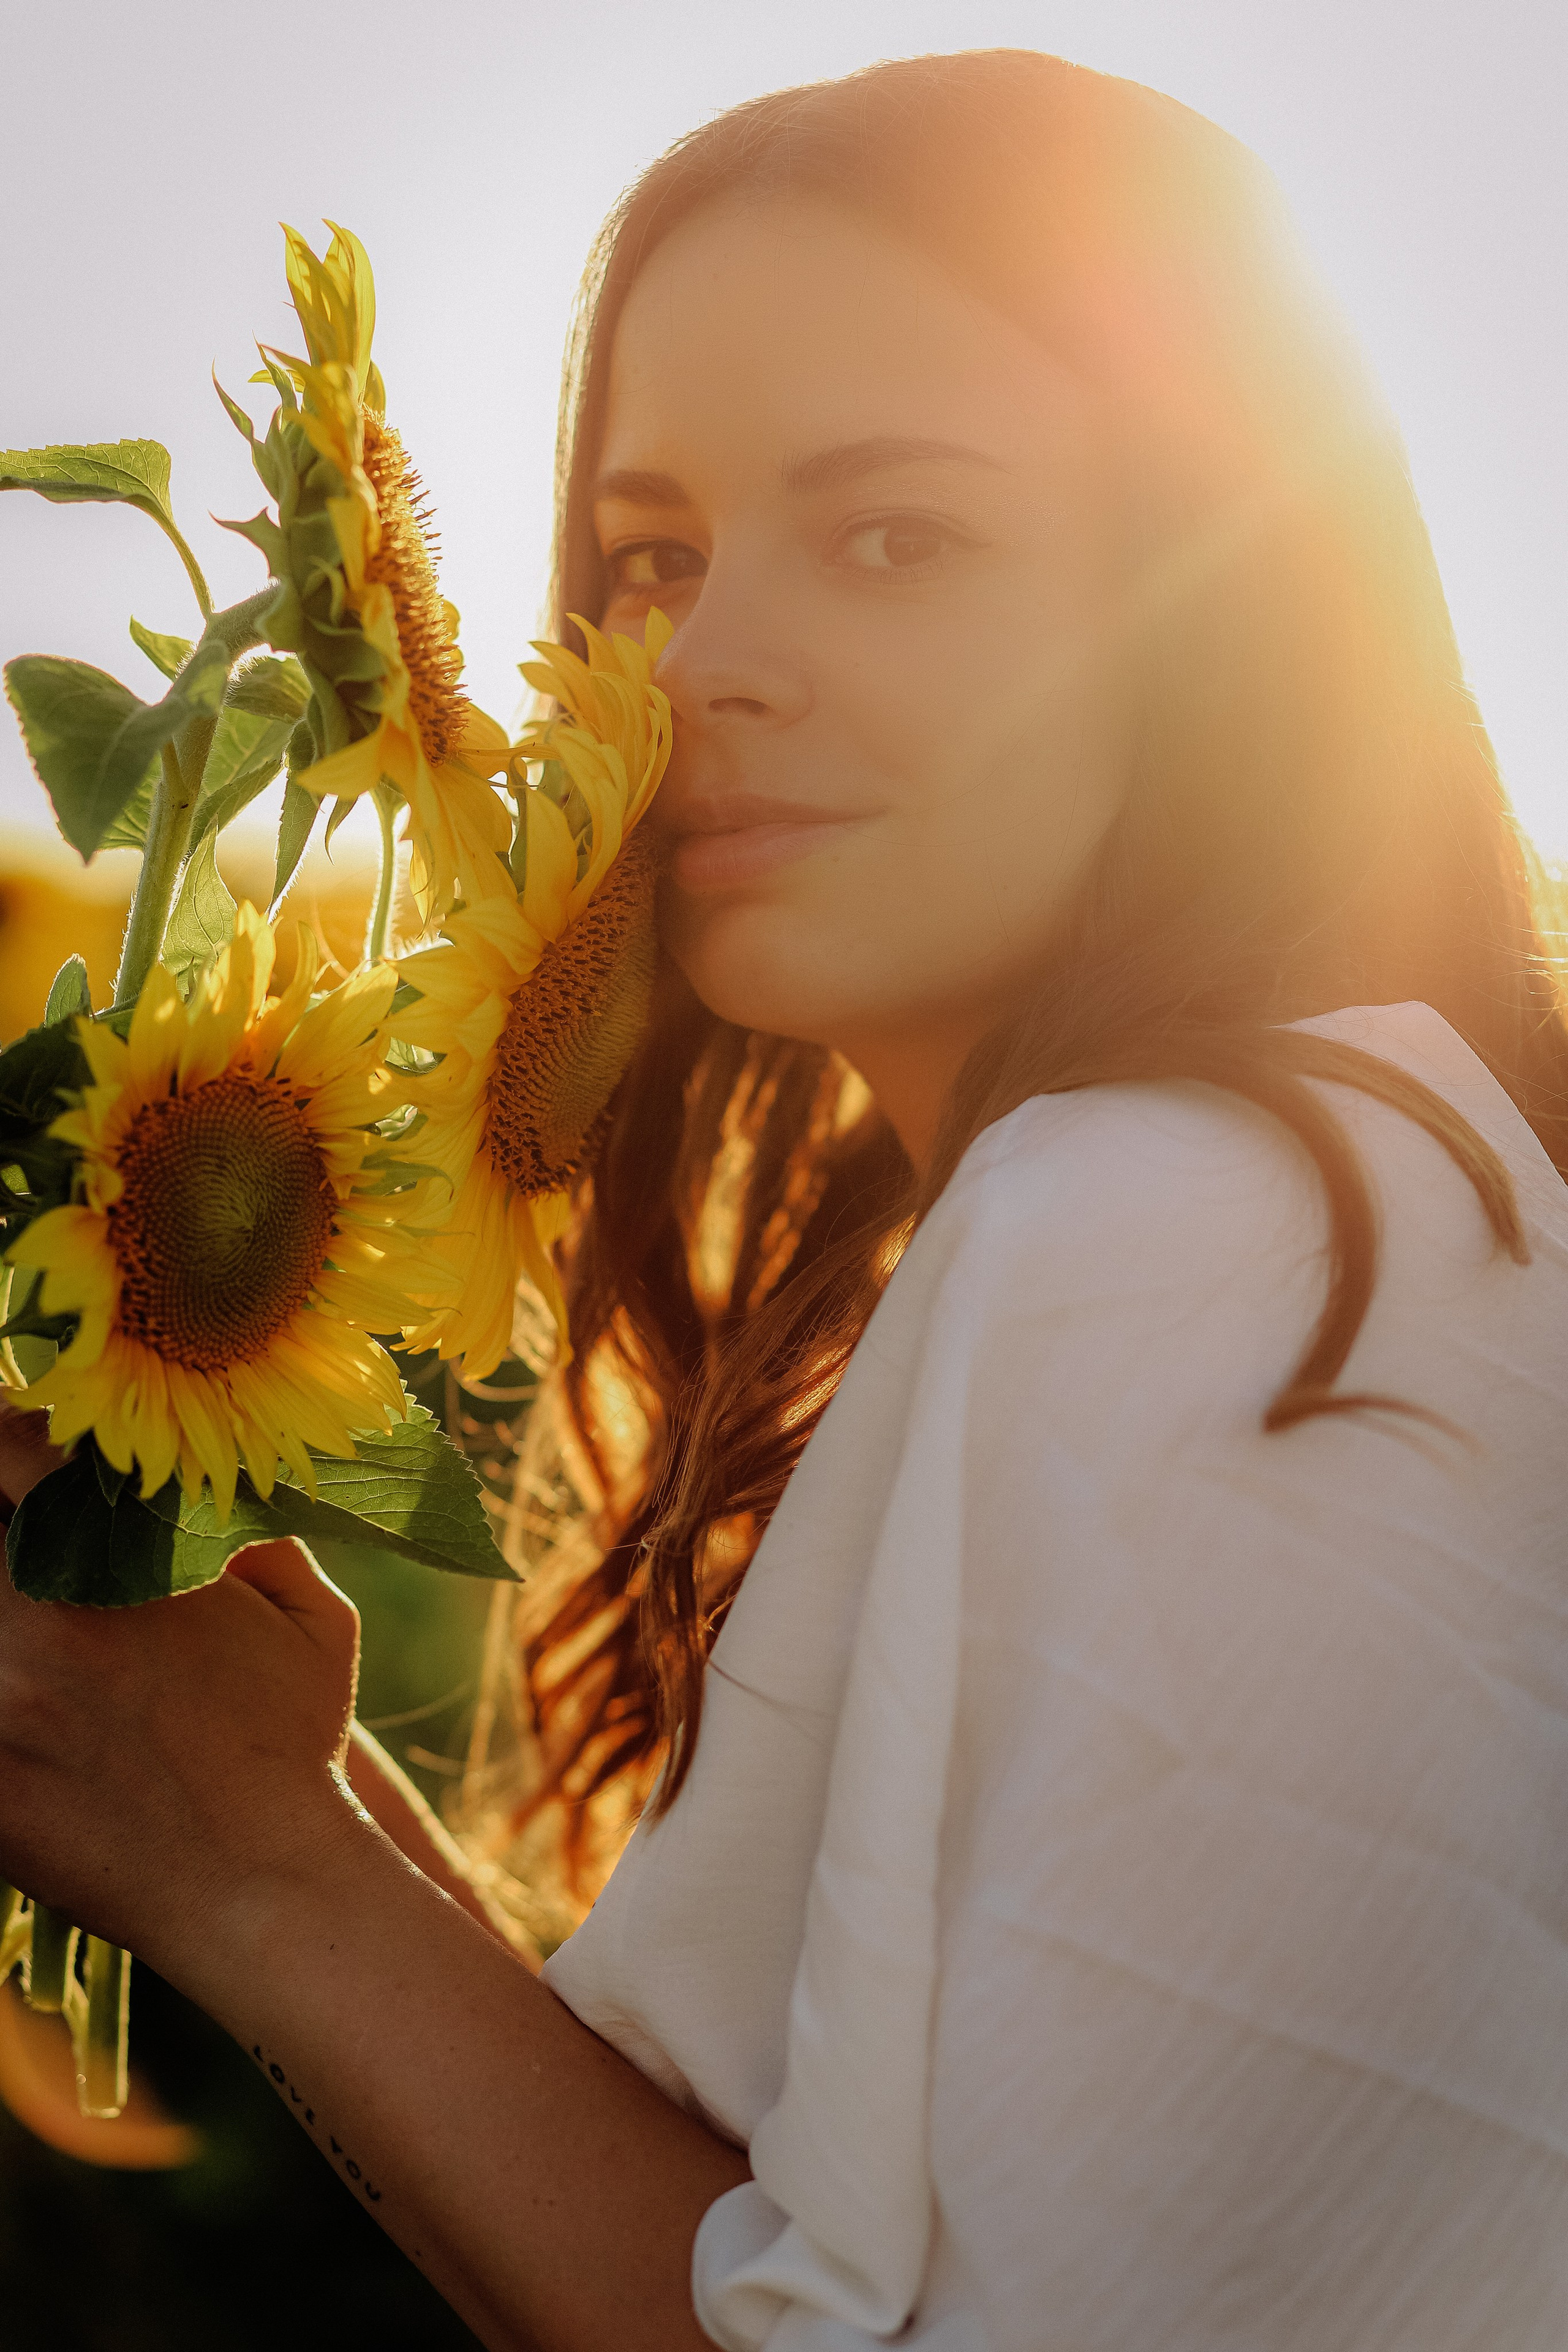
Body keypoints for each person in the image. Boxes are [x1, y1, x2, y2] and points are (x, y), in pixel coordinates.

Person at [4, 47, 1568, 2351]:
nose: (695, 663)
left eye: (895, 534)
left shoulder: (1207, 1231)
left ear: (1224, 600)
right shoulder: (1339, 1199)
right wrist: (273, 1815)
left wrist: (248, 1856)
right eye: (651, 554)